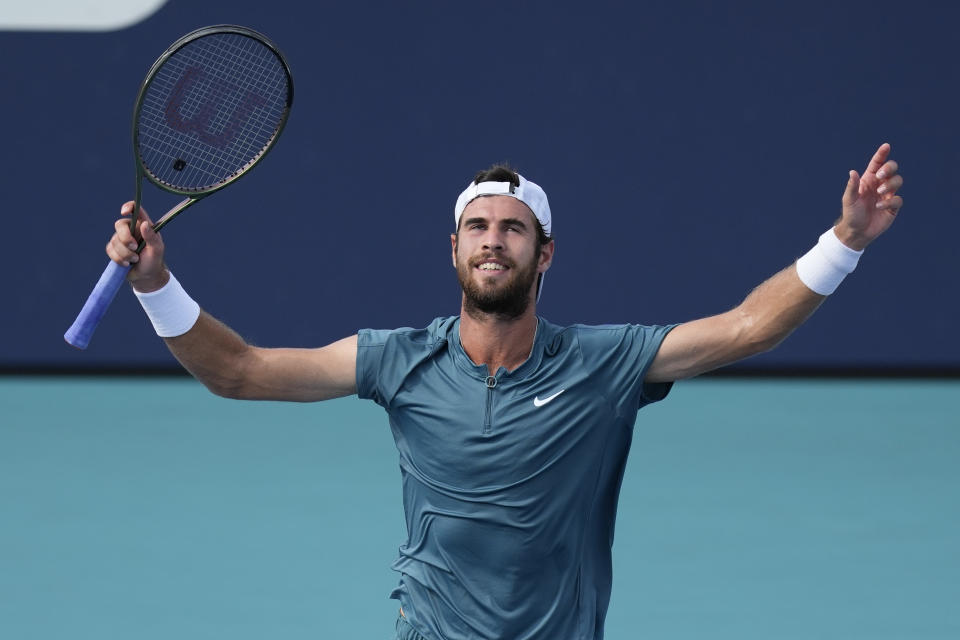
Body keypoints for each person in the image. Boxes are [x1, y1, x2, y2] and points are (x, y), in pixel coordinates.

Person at [106, 143, 903, 640]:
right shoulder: (397, 361)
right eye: (479, 227)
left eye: (513, 228)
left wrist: (846, 241)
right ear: (453, 249)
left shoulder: (605, 364)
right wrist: (155, 283)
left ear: (544, 254)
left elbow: (746, 328)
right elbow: (238, 372)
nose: (494, 239)